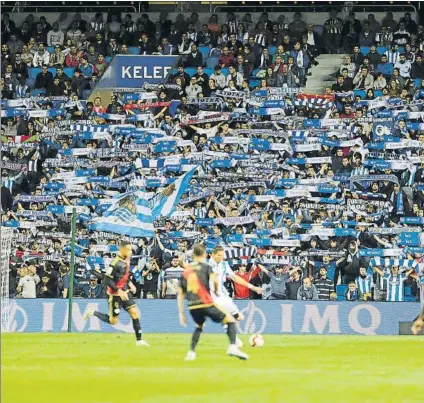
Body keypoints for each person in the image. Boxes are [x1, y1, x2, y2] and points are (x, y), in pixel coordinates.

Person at [177, 244, 248, 361]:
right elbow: (214, 280)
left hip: (192, 306)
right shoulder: (206, 267)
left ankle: (191, 352)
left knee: (199, 326)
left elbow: (180, 294)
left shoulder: (186, 271)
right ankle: (233, 347)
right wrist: (215, 290)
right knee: (229, 319)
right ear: (205, 254)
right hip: (206, 303)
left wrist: (181, 313)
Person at [84, 241, 149, 346]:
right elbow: (106, 280)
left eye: (131, 250)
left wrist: (130, 284)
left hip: (125, 292)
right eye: (128, 250)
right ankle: (93, 312)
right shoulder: (115, 263)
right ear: (122, 250)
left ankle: (139, 340)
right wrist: (118, 290)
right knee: (113, 321)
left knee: (134, 313)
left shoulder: (126, 261)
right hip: (115, 295)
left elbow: (124, 276)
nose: (130, 252)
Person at [208, 246, 262, 346]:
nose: (221, 257)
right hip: (213, 296)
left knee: (239, 317)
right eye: (219, 255)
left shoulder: (224, 264)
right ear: (212, 254)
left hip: (223, 296)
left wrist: (252, 287)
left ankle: (233, 338)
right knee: (228, 317)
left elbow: (234, 277)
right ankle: (234, 340)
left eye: (222, 255)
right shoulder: (207, 265)